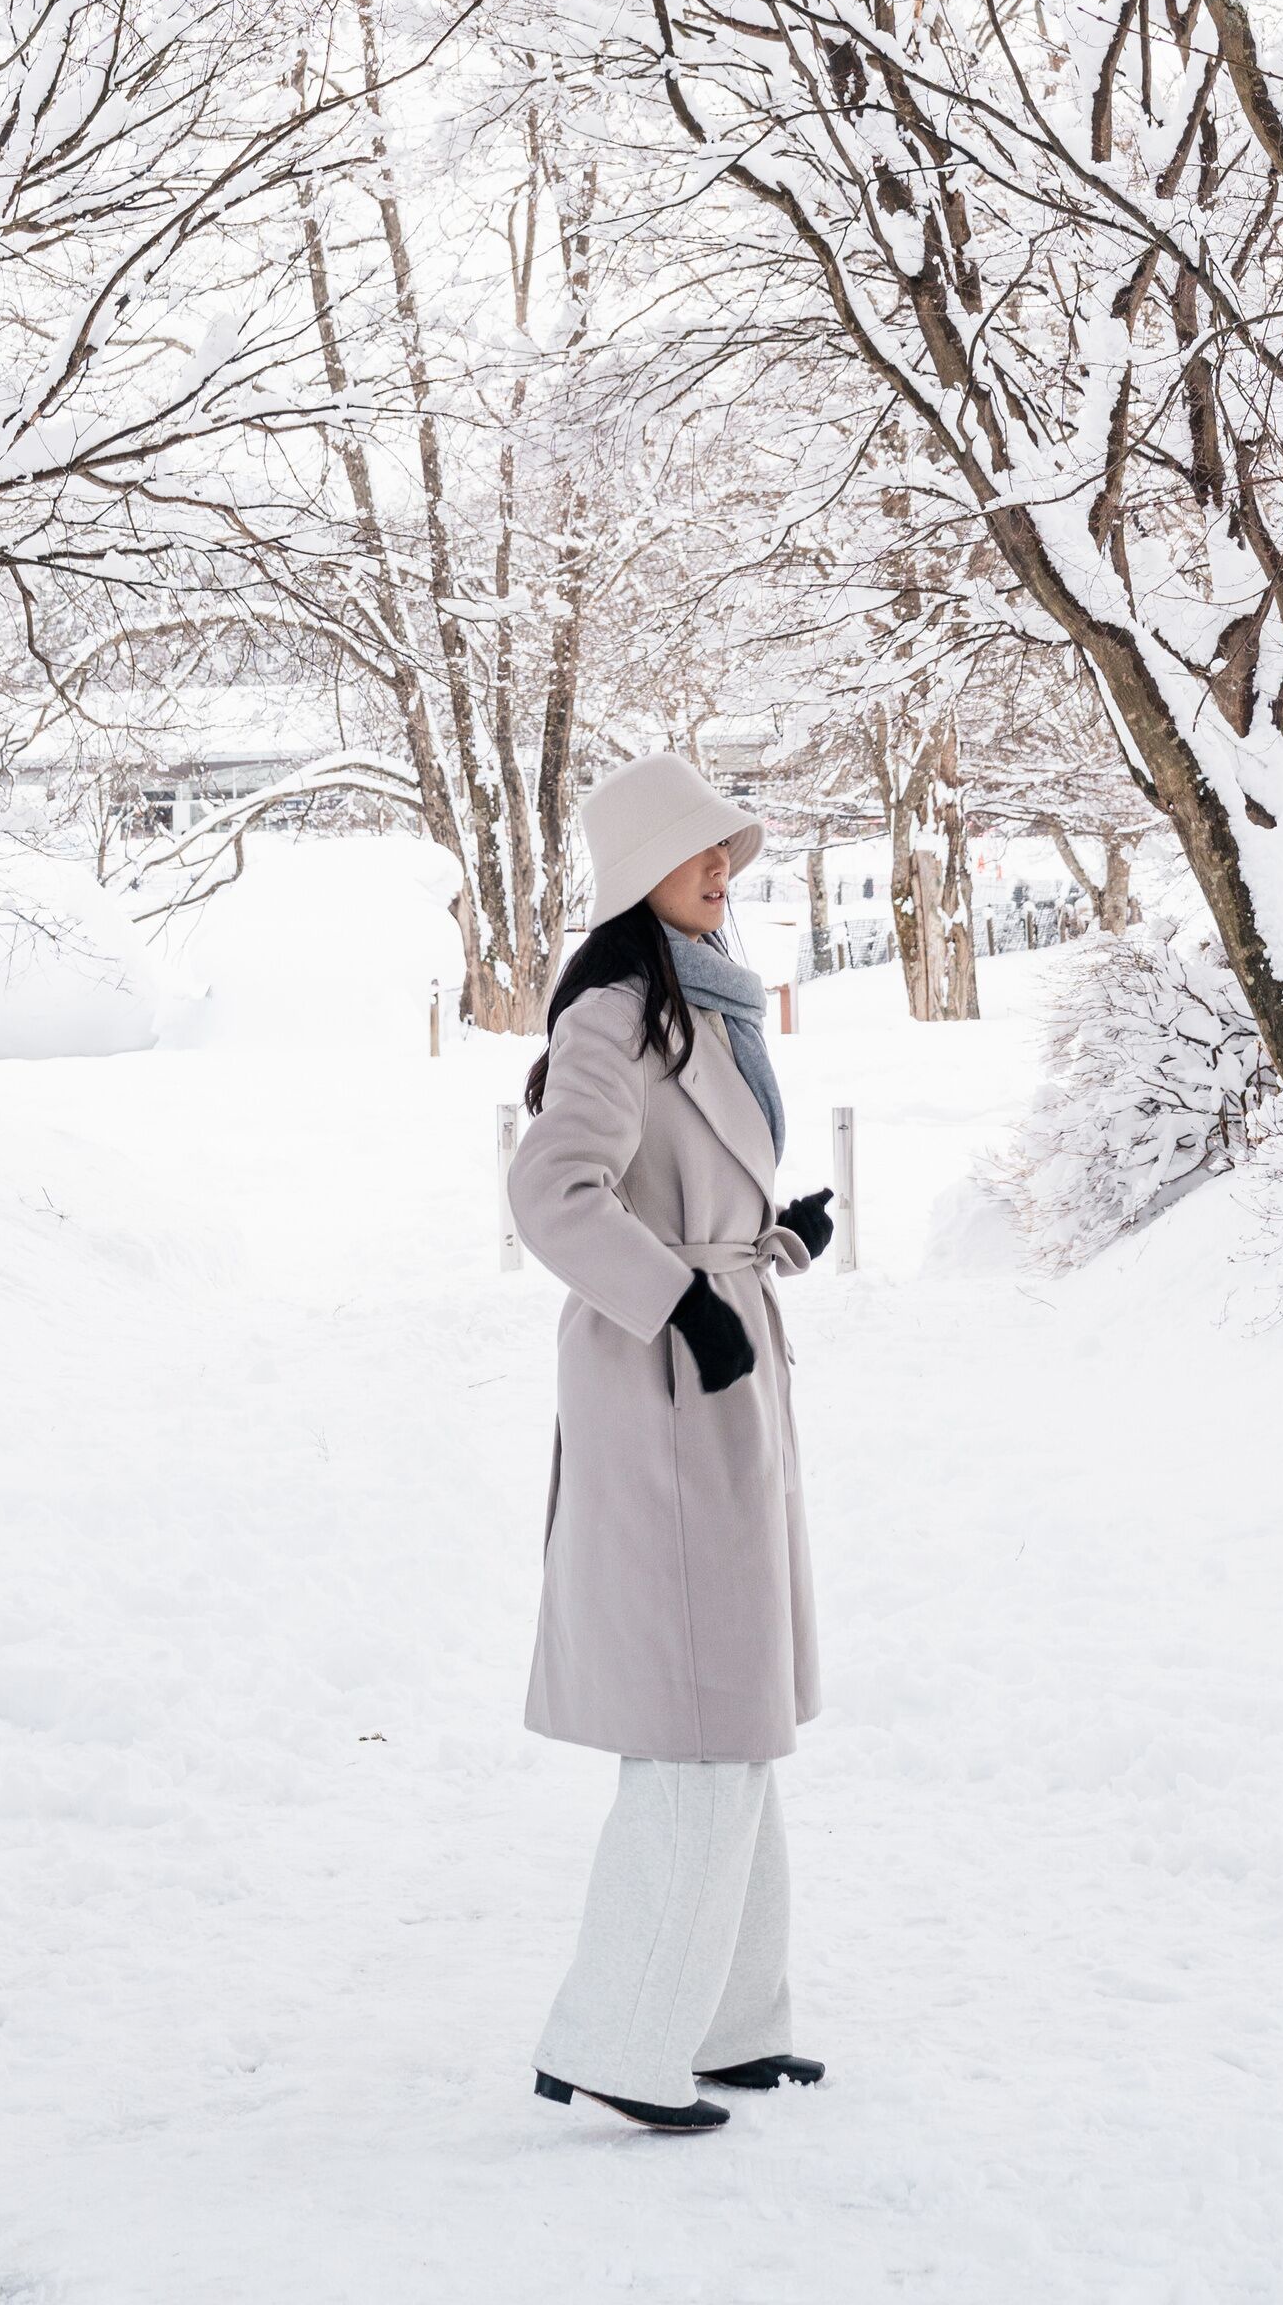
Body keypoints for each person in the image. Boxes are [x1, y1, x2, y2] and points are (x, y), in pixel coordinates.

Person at [508, 750, 836, 2136]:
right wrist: (682, 1301)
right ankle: (618, 2038)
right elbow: (554, 1194)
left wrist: (771, 1248)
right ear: (643, 865)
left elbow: (684, 1189)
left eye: (732, 855)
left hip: (717, 1370)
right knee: (699, 1728)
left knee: (737, 1714)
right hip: (663, 1396)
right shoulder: (618, 1010)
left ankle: (725, 2021)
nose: (726, 873)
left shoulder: (704, 1003)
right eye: (705, 852)